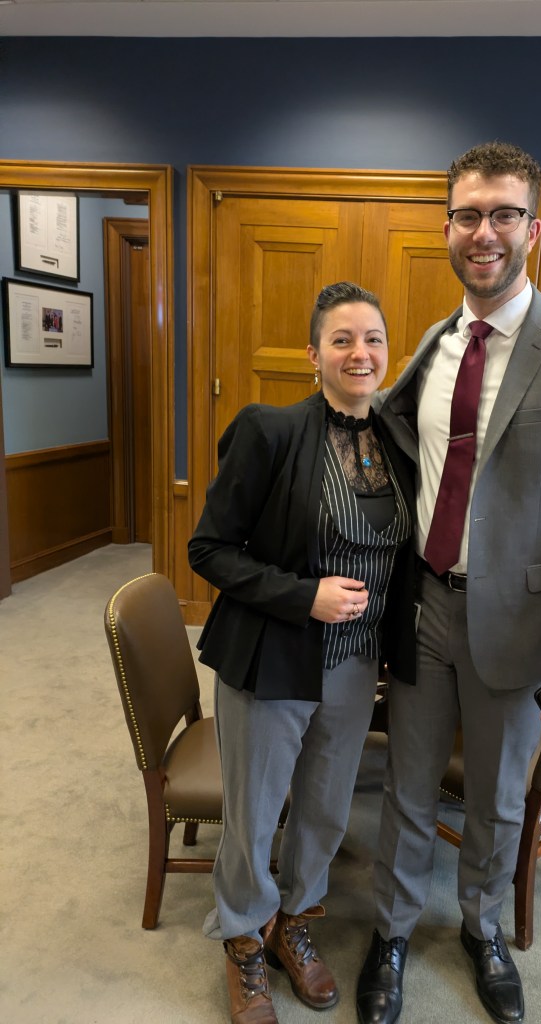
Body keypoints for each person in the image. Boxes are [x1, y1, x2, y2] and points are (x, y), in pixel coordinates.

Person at [356, 142, 541, 1024]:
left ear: (532, 226)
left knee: (495, 792)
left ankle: (481, 928)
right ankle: (393, 932)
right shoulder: (434, 347)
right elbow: (389, 446)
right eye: (468, 215)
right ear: (447, 227)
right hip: (425, 607)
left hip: (521, 624)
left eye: (503, 214)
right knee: (407, 785)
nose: (484, 232)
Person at [189, 281, 415, 1024]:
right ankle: (244, 944)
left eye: (373, 339)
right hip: (273, 656)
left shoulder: (398, 440)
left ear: (388, 352)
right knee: (255, 814)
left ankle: (295, 925)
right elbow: (208, 548)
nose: (360, 352)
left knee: (322, 807)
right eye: (342, 339)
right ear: (312, 354)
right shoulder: (270, 429)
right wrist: (302, 594)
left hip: (355, 661)